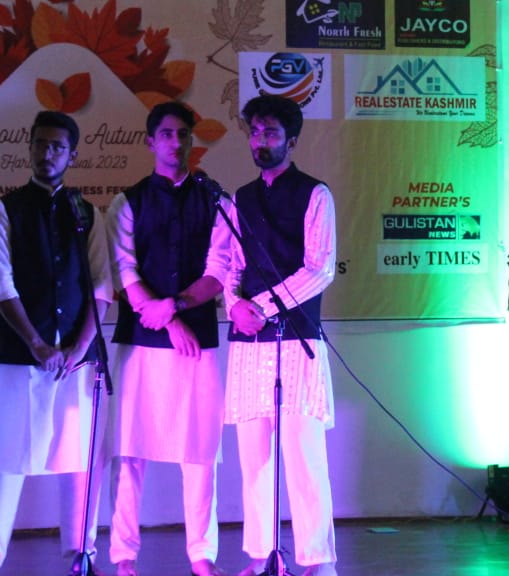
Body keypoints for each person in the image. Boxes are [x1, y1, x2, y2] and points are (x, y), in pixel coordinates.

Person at [0, 111, 113, 575]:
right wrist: (35, 343)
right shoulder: (3, 210)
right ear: (29, 148)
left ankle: (81, 554)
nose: (46, 153)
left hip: (77, 359)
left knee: (80, 462)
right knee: (4, 457)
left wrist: (77, 348)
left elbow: (101, 286)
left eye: (57, 147)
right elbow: (1, 282)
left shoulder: (86, 213)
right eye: (40, 144)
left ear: (72, 155)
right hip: (21, 357)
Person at [213, 95, 337, 576]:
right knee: (254, 460)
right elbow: (232, 265)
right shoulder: (239, 198)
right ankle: (262, 555)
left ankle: (317, 561)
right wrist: (234, 306)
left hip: (296, 341)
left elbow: (319, 268)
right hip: (249, 345)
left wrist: (261, 308)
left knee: (304, 457)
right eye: (255, 133)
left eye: (270, 133)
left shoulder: (315, 194)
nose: (260, 141)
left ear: (292, 141)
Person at [106, 102, 229, 576]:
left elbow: (219, 271)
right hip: (141, 341)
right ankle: (123, 555)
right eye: (166, 134)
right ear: (150, 141)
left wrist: (176, 307)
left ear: (193, 140)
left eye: (183, 134)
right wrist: (169, 320)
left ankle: (202, 555)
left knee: (200, 452)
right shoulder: (127, 202)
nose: (176, 142)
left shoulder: (216, 200)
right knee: (130, 453)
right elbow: (125, 272)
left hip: (197, 344)